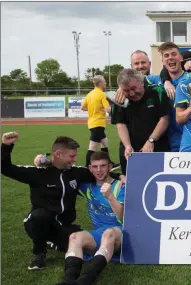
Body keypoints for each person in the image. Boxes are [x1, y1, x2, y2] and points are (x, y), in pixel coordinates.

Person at [1, 132, 121, 271]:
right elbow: (6, 168)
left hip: (63, 225)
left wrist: (119, 176)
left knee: (80, 243)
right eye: (72, 156)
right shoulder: (37, 173)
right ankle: (39, 253)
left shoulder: (76, 173)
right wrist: (5, 146)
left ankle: (52, 241)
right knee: (41, 216)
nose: (75, 159)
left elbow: (98, 173)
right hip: (38, 221)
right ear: (58, 154)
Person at [56, 151, 125, 285]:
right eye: (95, 166)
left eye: (103, 166)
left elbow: (124, 218)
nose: (99, 170)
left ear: (110, 167)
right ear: (90, 168)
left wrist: (110, 197)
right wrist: (43, 163)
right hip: (100, 234)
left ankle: (86, 281)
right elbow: (64, 169)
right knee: (74, 237)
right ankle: (70, 281)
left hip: (121, 233)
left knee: (109, 233)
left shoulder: (121, 186)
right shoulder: (87, 186)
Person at [111, 68, 170, 174]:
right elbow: (120, 124)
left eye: (134, 88)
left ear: (141, 82)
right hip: (130, 151)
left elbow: (164, 119)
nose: (131, 93)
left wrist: (151, 140)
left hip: (157, 147)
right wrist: (127, 145)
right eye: (126, 90)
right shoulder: (119, 98)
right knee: (132, 185)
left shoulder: (157, 91)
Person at [149, 42, 191, 152]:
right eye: (166, 56)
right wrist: (121, 89)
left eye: (173, 54)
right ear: (162, 61)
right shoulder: (156, 80)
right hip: (170, 141)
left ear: (181, 57)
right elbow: (133, 80)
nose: (170, 58)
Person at [81, 75, 118, 168]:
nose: (106, 83)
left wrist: (93, 109)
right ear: (100, 83)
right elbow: (108, 110)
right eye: (105, 82)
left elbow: (83, 107)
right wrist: (115, 106)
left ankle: (109, 163)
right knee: (92, 147)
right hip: (98, 124)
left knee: (105, 142)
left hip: (92, 123)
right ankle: (87, 167)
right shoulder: (102, 94)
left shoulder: (89, 94)